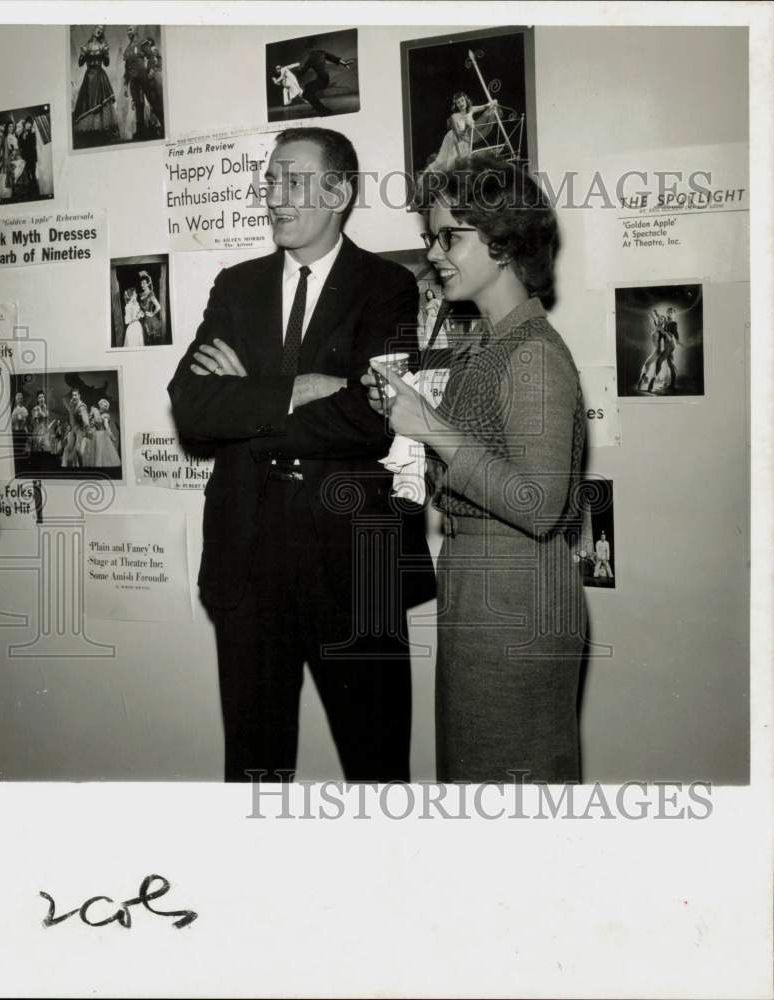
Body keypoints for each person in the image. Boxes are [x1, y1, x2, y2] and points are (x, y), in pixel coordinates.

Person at [168, 126, 434, 783]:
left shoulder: (387, 286)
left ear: (339, 191)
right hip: (247, 561)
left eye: (292, 180)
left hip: (355, 568)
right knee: (254, 773)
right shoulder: (236, 286)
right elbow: (193, 407)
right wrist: (298, 388)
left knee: (377, 770)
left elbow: (372, 419)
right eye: (269, 181)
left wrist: (250, 400)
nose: (274, 197)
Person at [364, 153, 587, 783]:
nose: (435, 252)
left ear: (503, 239)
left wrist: (429, 427)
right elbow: (474, 461)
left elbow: (540, 504)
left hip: (516, 597)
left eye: (450, 236)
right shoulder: (488, 345)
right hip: (479, 589)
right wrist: (409, 417)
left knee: (508, 793)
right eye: (431, 237)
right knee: (477, 784)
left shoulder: (533, 354)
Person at [424, 92, 499, 173]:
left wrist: (493, 102)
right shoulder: (454, 116)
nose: (461, 103)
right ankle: (426, 173)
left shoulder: (471, 110)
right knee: (444, 160)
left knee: (463, 163)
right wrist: (467, 125)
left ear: (466, 100)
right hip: (453, 139)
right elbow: (457, 136)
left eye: (462, 100)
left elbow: (485, 106)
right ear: (456, 105)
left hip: (466, 139)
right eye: (458, 102)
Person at [73, 25, 118, 144]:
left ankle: (100, 130)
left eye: (102, 30)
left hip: (99, 75)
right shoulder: (87, 46)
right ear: (94, 30)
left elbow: (107, 63)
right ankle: (90, 133)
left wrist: (106, 54)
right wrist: (82, 54)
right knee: (88, 102)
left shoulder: (103, 46)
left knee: (101, 102)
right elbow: (80, 63)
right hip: (89, 77)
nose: (99, 31)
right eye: (98, 29)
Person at [287, 49, 353, 116]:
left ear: (310, 53)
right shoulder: (322, 53)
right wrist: (344, 63)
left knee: (306, 94)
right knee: (308, 86)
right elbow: (334, 58)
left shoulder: (310, 60)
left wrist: (289, 72)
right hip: (325, 78)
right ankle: (316, 105)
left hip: (322, 79)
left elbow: (301, 73)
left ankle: (324, 110)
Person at [122, 26, 149, 139]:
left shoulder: (142, 43)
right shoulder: (127, 50)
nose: (128, 32)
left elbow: (152, 56)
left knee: (150, 100)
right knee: (138, 104)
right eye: (127, 30)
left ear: (136, 31)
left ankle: (157, 126)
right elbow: (127, 69)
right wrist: (124, 85)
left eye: (130, 29)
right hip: (133, 80)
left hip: (144, 78)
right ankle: (140, 131)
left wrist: (151, 70)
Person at [61, 388, 90, 468]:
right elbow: (72, 417)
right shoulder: (72, 404)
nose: (74, 397)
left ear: (79, 396)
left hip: (81, 430)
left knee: (78, 450)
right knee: (69, 449)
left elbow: (86, 422)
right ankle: (75, 465)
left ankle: (82, 467)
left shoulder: (81, 407)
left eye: (75, 395)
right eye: (72, 395)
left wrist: (86, 431)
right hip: (75, 429)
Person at [141, 36, 164, 133]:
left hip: (156, 79)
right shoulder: (146, 58)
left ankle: (162, 125)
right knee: (154, 104)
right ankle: (159, 125)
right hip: (150, 82)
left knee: (159, 102)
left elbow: (157, 63)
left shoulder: (154, 51)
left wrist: (152, 70)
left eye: (146, 46)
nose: (144, 49)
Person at [89, 398, 121, 467]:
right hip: (95, 434)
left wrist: (111, 435)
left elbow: (106, 427)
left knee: (101, 452)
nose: (104, 406)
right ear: (100, 405)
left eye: (106, 406)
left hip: (102, 435)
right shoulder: (95, 413)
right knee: (96, 452)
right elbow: (91, 424)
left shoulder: (106, 416)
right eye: (103, 405)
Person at [137, 271, 161, 344]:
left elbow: (158, 307)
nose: (142, 285)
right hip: (141, 319)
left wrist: (152, 314)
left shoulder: (151, 294)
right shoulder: (141, 294)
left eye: (144, 283)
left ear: (148, 283)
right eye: (141, 283)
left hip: (149, 321)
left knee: (149, 340)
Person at [18, 117, 39, 197]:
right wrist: (23, 138)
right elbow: (20, 146)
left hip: (32, 157)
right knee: (27, 174)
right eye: (27, 123)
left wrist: (29, 135)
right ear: (25, 124)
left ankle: (35, 190)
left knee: (33, 173)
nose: (29, 125)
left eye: (30, 123)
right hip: (25, 157)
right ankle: (30, 190)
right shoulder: (21, 134)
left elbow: (33, 144)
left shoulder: (33, 133)